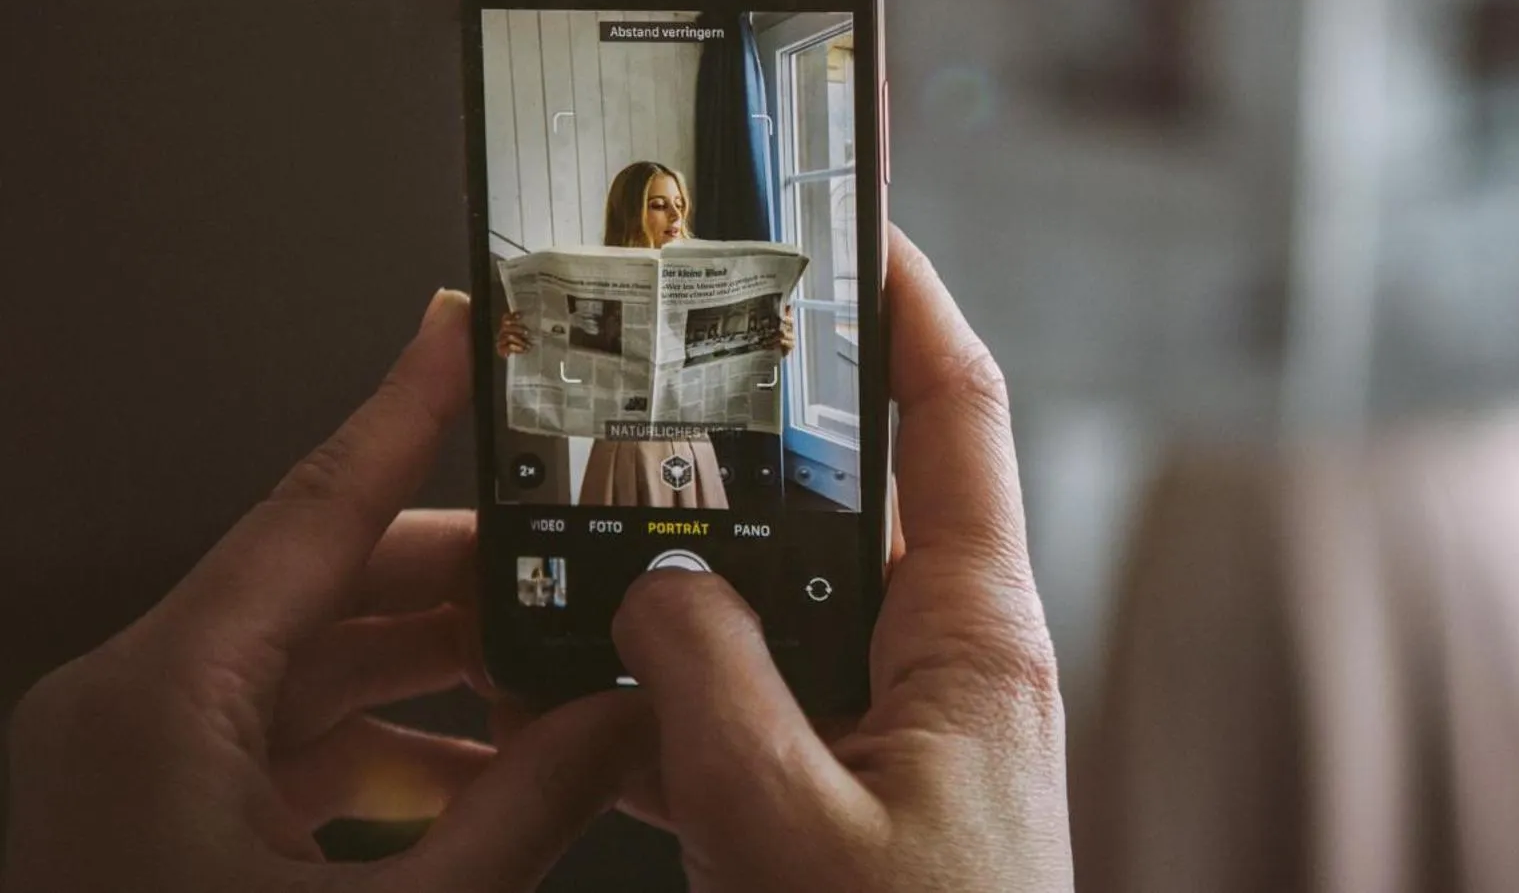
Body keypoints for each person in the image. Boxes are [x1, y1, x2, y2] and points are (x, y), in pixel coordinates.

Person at [1, 230, 1071, 892]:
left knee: (681, 510)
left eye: (669, 211)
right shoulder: (578, 284)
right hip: (616, 433)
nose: (661, 221)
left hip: (688, 431)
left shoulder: (707, 281)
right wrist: (521, 348)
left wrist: (767, 347)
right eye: (647, 209)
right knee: (615, 511)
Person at [497, 159, 795, 509]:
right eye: (658, 205)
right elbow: (563, 367)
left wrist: (774, 346)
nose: (675, 214)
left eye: (679, 204)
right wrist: (521, 344)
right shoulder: (591, 282)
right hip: (625, 452)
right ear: (629, 213)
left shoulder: (713, 275)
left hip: (692, 448)